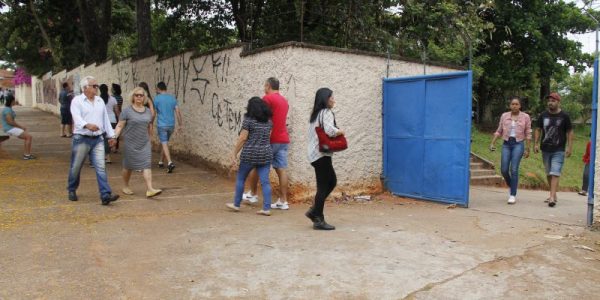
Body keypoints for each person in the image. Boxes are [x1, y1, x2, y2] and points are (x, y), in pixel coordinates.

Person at [67, 76, 119, 205]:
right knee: (76, 166)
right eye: (94, 85)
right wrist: (86, 125)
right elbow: (76, 117)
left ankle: (105, 194)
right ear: (85, 87)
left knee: (101, 167)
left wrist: (111, 136)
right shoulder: (77, 101)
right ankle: (72, 189)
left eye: (97, 85)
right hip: (81, 138)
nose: (97, 88)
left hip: (98, 139)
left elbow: (105, 120)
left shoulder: (100, 101)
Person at [242, 77, 291, 209]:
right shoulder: (284, 101)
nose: (264, 88)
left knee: (256, 165)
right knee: (281, 169)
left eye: (265, 86)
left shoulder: (267, 99)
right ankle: (283, 201)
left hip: (269, 139)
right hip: (283, 139)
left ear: (268, 86)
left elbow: (260, 117)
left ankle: (252, 194)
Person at [226, 97, 273, 216]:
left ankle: (236, 204)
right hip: (265, 154)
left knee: (241, 178)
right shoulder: (268, 121)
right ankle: (266, 208)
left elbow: (243, 138)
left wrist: (234, 153)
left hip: (250, 154)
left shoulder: (248, 120)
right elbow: (268, 137)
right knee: (265, 182)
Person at [305, 88, 344, 230]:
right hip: (322, 154)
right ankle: (318, 218)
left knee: (331, 181)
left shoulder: (315, 114)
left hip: (315, 155)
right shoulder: (326, 113)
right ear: (325, 99)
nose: (333, 99)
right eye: (331, 97)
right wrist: (340, 131)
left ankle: (314, 211)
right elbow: (329, 131)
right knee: (323, 187)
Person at [113, 87, 162, 198]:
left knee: (146, 165)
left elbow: (149, 126)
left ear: (144, 97)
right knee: (128, 166)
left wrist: (150, 139)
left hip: (144, 143)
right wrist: (114, 136)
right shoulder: (127, 111)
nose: (139, 97)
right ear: (133, 97)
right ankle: (125, 185)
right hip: (130, 143)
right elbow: (120, 125)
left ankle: (150, 189)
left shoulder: (148, 112)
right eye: (137, 95)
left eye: (141, 95)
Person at [534, 92, 574, 207]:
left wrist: (569, 147)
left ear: (558, 102)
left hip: (559, 149)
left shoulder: (564, 116)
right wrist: (536, 144)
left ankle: (551, 197)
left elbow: (570, 131)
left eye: (553, 101)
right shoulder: (543, 115)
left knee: (555, 172)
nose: (550, 103)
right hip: (545, 148)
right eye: (549, 101)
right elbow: (538, 129)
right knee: (548, 173)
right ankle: (553, 194)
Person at [489, 97, 532, 204]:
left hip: (518, 144)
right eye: (512, 104)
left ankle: (512, 194)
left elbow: (528, 132)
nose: (514, 106)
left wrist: (527, 148)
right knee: (504, 169)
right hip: (506, 144)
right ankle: (512, 185)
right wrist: (492, 142)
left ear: (520, 106)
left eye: (516, 104)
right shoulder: (504, 116)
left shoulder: (525, 117)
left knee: (514, 169)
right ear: (510, 105)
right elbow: (499, 130)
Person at [154, 81, 183, 173]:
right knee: (165, 143)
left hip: (162, 125)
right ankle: (161, 161)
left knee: (164, 143)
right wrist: (180, 125)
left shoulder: (157, 99)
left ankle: (170, 162)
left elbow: (153, 113)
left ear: (158, 89)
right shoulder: (172, 98)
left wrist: (150, 122)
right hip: (171, 125)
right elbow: (178, 112)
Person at [1, 94, 35, 159]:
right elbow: (10, 122)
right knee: (28, 137)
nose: (15, 101)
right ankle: (27, 155)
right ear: (12, 101)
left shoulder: (8, 109)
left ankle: (27, 154)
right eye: (14, 100)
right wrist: (21, 127)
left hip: (9, 128)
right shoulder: (7, 110)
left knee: (27, 137)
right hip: (9, 128)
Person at [99, 84, 119, 163]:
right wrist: (119, 120)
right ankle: (108, 156)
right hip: (112, 120)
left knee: (103, 139)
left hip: (102, 121)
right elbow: (117, 111)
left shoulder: (98, 99)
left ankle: (106, 156)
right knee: (110, 139)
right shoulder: (113, 99)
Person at [111, 83, 123, 151]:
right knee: (117, 131)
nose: (111, 89)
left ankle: (113, 146)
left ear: (114, 90)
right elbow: (120, 107)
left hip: (113, 115)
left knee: (112, 131)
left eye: (112, 88)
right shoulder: (120, 97)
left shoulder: (112, 97)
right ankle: (116, 147)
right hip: (119, 115)